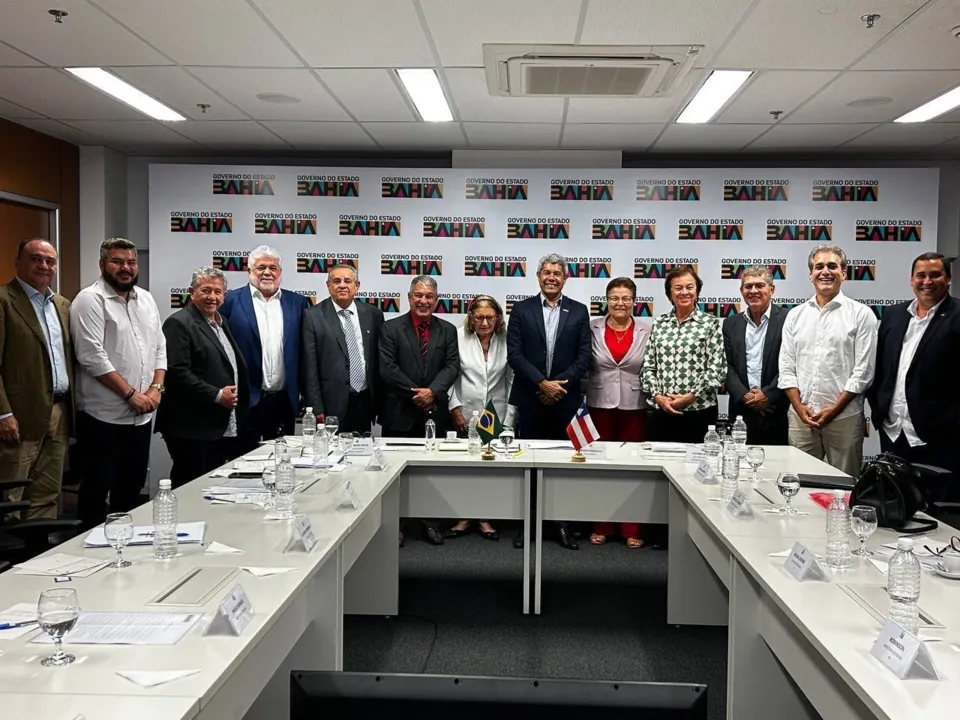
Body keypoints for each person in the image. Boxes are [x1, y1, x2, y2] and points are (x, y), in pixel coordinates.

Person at [71, 238, 166, 528]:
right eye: (117, 261)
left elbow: (159, 347)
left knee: (131, 489)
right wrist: (131, 395)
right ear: (102, 264)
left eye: (131, 262)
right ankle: (88, 554)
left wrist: (155, 389)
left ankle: (126, 550)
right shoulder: (89, 299)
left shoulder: (146, 299)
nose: (125, 268)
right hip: (103, 417)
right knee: (97, 490)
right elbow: (92, 357)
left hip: (141, 417)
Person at [507, 253, 591, 550]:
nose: (551, 276)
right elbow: (514, 355)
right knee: (528, 464)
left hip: (565, 400)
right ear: (538, 276)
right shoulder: (521, 310)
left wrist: (557, 386)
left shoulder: (579, 312)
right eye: (546, 272)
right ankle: (527, 524)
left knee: (563, 465)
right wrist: (542, 384)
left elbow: (584, 357)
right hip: (530, 399)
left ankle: (563, 525)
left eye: (557, 272)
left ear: (565, 278)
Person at [779, 243, 877, 477]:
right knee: (799, 484)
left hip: (844, 418)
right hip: (802, 418)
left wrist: (833, 410)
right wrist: (799, 407)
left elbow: (863, 371)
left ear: (843, 273)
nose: (825, 271)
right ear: (811, 275)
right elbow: (786, 367)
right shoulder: (795, 315)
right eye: (818, 266)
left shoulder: (861, 314)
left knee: (842, 487)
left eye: (832, 266)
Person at [867, 252, 960, 496]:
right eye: (921, 275)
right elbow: (880, 367)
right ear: (911, 280)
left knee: (939, 513)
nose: (927, 281)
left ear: (948, 279)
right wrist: (879, 409)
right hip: (893, 432)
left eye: (935, 275)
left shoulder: (957, 316)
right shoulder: (893, 315)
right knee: (896, 506)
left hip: (939, 437)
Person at [380, 275, 460, 545]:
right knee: (395, 473)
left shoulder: (448, 330)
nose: (423, 301)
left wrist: (433, 392)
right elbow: (388, 369)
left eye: (429, 296)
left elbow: (451, 366)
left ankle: (432, 523)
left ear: (436, 300)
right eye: (418, 295)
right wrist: (418, 393)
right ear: (409, 296)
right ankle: (397, 524)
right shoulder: (390, 328)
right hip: (399, 410)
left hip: (435, 412)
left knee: (433, 471)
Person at [156, 267, 250, 487]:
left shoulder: (221, 321)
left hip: (215, 424)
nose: (212, 297)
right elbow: (177, 372)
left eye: (218, 292)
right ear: (191, 292)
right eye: (206, 291)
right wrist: (217, 395)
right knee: (190, 484)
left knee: (211, 484)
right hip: (191, 426)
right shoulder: (179, 323)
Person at [0, 238, 72, 519]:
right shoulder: (4, 300)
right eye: (36, 259)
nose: (44, 265)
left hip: (59, 412)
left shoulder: (62, 305)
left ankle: (39, 556)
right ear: (17, 262)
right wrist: (3, 413)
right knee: (11, 494)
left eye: (50, 261)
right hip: (19, 415)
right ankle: (8, 557)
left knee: (47, 493)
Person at [220, 246, 309, 454]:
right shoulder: (230, 301)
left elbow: (305, 354)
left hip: (283, 401)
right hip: (244, 401)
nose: (267, 272)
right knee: (240, 463)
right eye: (261, 267)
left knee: (282, 463)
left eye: (273, 267)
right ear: (249, 271)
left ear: (280, 272)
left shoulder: (298, 303)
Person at [585, 277, 651, 549]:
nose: (620, 303)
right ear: (607, 300)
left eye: (625, 298)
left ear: (634, 301)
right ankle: (602, 524)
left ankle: (631, 527)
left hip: (635, 405)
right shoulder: (592, 327)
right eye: (614, 298)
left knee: (633, 468)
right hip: (599, 403)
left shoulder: (648, 328)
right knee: (601, 467)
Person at [446, 295, 515, 542]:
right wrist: (454, 407)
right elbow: (449, 375)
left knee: (490, 467)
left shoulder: (506, 340)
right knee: (465, 467)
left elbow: (510, 380)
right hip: (465, 411)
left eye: (489, 317)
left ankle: (485, 517)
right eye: (479, 317)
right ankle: (464, 516)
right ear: (471, 317)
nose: (484, 322)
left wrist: (509, 418)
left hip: (494, 413)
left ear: (498, 318)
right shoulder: (457, 337)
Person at [642, 266, 725, 443]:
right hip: (662, 411)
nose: (684, 292)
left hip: (699, 411)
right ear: (670, 293)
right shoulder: (659, 324)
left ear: (697, 291)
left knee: (696, 467)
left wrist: (690, 396)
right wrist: (658, 397)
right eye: (678, 288)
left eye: (689, 287)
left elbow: (717, 368)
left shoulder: (709, 324)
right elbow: (648, 367)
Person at [302, 264, 383, 434]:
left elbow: (377, 359)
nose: (342, 285)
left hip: (365, 400)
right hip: (331, 405)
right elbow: (309, 367)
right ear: (328, 286)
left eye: (348, 281)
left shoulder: (373, 314)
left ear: (357, 286)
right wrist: (316, 407)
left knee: (363, 455)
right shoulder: (313, 316)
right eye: (336, 281)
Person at [722, 266, 789, 446]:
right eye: (748, 286)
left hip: (776, 410)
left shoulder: (788, 319)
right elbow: (725, 365)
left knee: (777, 468)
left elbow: (792, 363)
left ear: (771, 289)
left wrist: (767, 395)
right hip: (740, 413)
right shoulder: (730, 323)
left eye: (759, 285)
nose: (753, 291)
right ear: (741, 291)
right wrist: (745, 396)